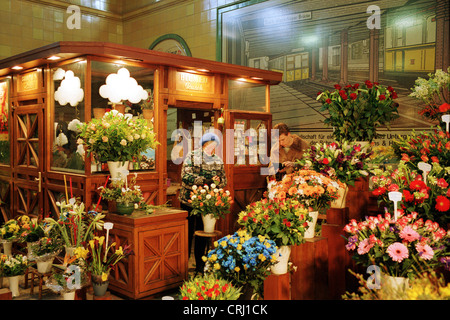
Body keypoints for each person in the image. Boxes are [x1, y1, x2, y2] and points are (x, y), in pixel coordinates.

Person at [179, 132, 227, 274]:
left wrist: (217, 182)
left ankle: (200, 265)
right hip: (188, 201)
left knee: (202, 235)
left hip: (205, 204)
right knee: (186, 235)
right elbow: (185, 176)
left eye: (214, 145)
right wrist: (204, 181)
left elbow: (224, 180)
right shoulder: (192, 156)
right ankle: (183, 267)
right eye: (209, 144)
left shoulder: (218, 160)